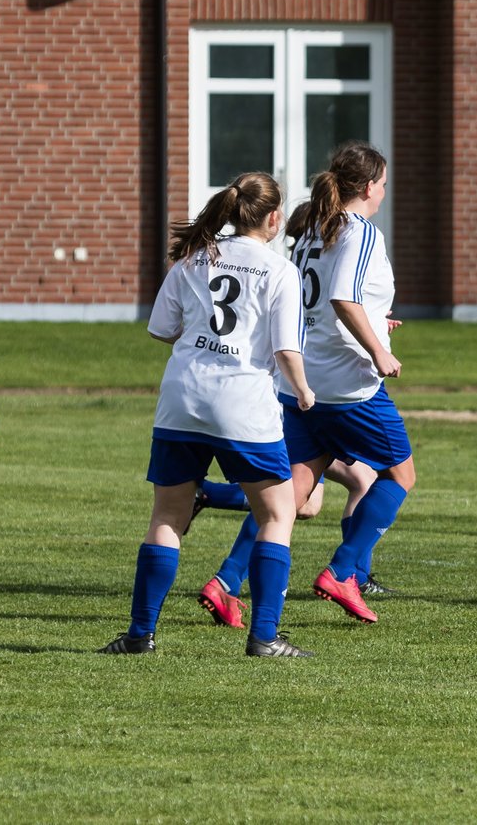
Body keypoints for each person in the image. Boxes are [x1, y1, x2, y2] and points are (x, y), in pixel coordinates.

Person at [98, 172, 315, 657]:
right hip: (243, 404)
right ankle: (264, 637)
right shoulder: (280, 271)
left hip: (183, 399)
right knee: (278, 513)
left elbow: (161, 329)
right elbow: (285, 349)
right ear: (275, 218)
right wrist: (303, 391)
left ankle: (139, 636)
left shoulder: (193, 259)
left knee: (167, 516)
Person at [203, 141, 413, 627]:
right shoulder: (360, 230)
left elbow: (318, 302)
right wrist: (379, 349)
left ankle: (226, 582)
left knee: (290, 493)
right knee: (400, 476)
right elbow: (343, 298)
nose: (384, 192)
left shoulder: (314, 228)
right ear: (366, 187)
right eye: (382, 183)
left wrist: (378, 324)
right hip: (347, 383)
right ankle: (343, 572)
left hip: (302, 378)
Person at [196, 459, 393, 630]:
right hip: (305, 420)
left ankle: (355, 576)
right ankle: (350, 576)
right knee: (286, 497)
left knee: (318, 498)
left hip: (303, 420)